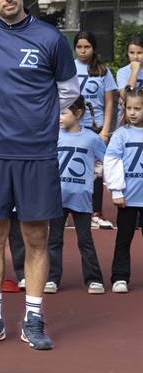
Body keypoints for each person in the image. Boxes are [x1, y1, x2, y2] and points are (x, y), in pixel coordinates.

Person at [0, 0, 79, 350]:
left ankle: (33, 317)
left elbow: (68, 90)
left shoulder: (50, 38)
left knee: (36, 236)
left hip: (37, 153)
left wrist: (39, 118)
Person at [48, 97, 106, 294]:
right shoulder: (53, 135)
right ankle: (52, 279)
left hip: (81, 198)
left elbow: (108, 159)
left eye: (64, 112)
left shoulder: (92, 138)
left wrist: (99, 170)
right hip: (57, 198)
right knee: (54, 239)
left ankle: (94, 280)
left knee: (85, 240)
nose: (59, 116)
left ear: (78, 113)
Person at [73, 31, 117, 230]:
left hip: (96, 127)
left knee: (96, 171)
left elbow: (109, 103)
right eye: (79, 47)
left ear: (93, 48)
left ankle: (95, 213)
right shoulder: (69, 68)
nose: (83, 51)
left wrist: (105, 130)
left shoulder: (103, 71)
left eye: (87, 47)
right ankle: (66, 210)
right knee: (71, 166)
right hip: (73, 126)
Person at [104, 86, 143, 294]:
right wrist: (117, 191)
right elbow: (111, 161)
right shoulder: (121, 134)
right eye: (129, 108)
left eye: (138, 108)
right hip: (128, 198)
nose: (133, 112)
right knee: (123, 239)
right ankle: (120, 277)